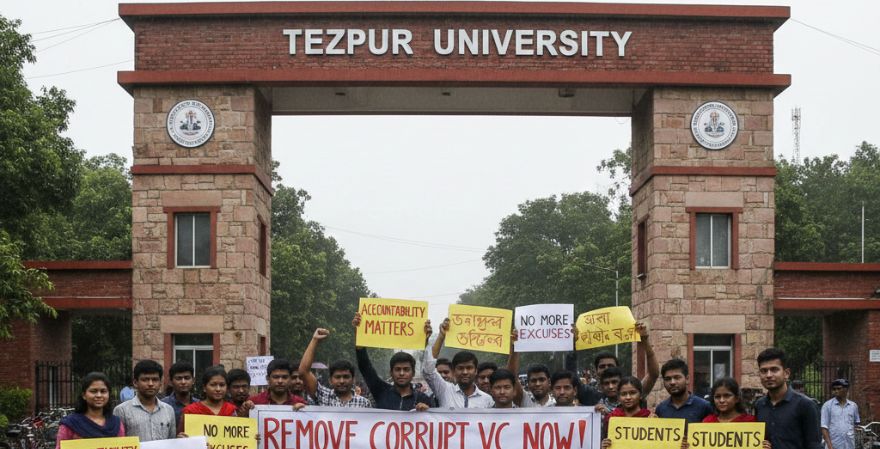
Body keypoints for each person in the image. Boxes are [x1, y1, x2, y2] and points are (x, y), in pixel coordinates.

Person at [352, 312, 432, 410]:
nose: (402, 373)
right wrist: (359, 334)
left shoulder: (423, 399)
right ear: (391, 372)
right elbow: (365, 367)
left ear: (413, 373)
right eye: (398, 369)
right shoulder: (381, 391)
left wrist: (428, 412)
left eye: (406, 369)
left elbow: (435, 422)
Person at [754, 347, 821, 449]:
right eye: (763, 371)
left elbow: (814, 445)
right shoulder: (759, 405)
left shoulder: (806, 405)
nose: (768, 375)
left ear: (786, 373)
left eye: (774, 370)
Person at [422, 319, 494, 408]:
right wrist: (441, 336)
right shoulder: (445, 390)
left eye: (469, 368)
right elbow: (428, 371)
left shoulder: (487, 400)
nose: (465, 372)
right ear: (453, 371)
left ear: (476, 371)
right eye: (460, 368)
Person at [299, 328, 372, 407]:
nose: (342, 381)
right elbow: (303, 372)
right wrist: (315, 340)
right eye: (337, 377)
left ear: (353, 379)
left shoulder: (364, 403)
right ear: (330, 380)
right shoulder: (323, 396)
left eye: (346, 377)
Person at [56, 372, 125, 449]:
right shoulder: (70, 424)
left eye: (103, 391)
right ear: (84, 395)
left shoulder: (116, 424)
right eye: (93, 391)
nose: (99, 395)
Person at [113, 360, 176, 441]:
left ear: (160, 383)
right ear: (135, 382)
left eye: (155, 379)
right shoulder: (122, 410)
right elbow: (117, 443)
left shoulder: (169, 410)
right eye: (145, 379)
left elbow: (171, 442)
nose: (150, 384)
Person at [178, 366, 237, 434]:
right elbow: (180, 438)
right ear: (204, 388)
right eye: (213, 385)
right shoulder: (190, 411)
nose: (218, 389)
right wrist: (180, 439)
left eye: (222, 385)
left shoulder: (232, 410)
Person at [655, 358, 713, 423]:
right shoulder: (661, 409)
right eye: (668, 379)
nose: (672, 382)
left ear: (687, 379)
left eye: (677, 377)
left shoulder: (704, 407)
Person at [600, 376, 652, 447]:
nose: (628, 397)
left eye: (633, 393)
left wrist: (656, 424)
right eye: (623, 394)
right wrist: (604, 445)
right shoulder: (612, 418)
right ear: (618, 397)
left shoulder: (648, 417)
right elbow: (606, 439)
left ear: (640, 395)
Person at [820, 379, 860, 449]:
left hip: (849, 445)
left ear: (846, 389)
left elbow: (855, 424)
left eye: (839, 388)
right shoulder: (827, 405)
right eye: (834, 389)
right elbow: (824, 427)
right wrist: (830, 446)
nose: (836, 391)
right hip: (834, 445)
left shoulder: (853, 406)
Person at [161, 361, 199, 427]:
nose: (183, 382)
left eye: (187, 378)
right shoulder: (162, 406)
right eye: (179, 378)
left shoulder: (199, 405)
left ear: (193, 380)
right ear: (170, 382)